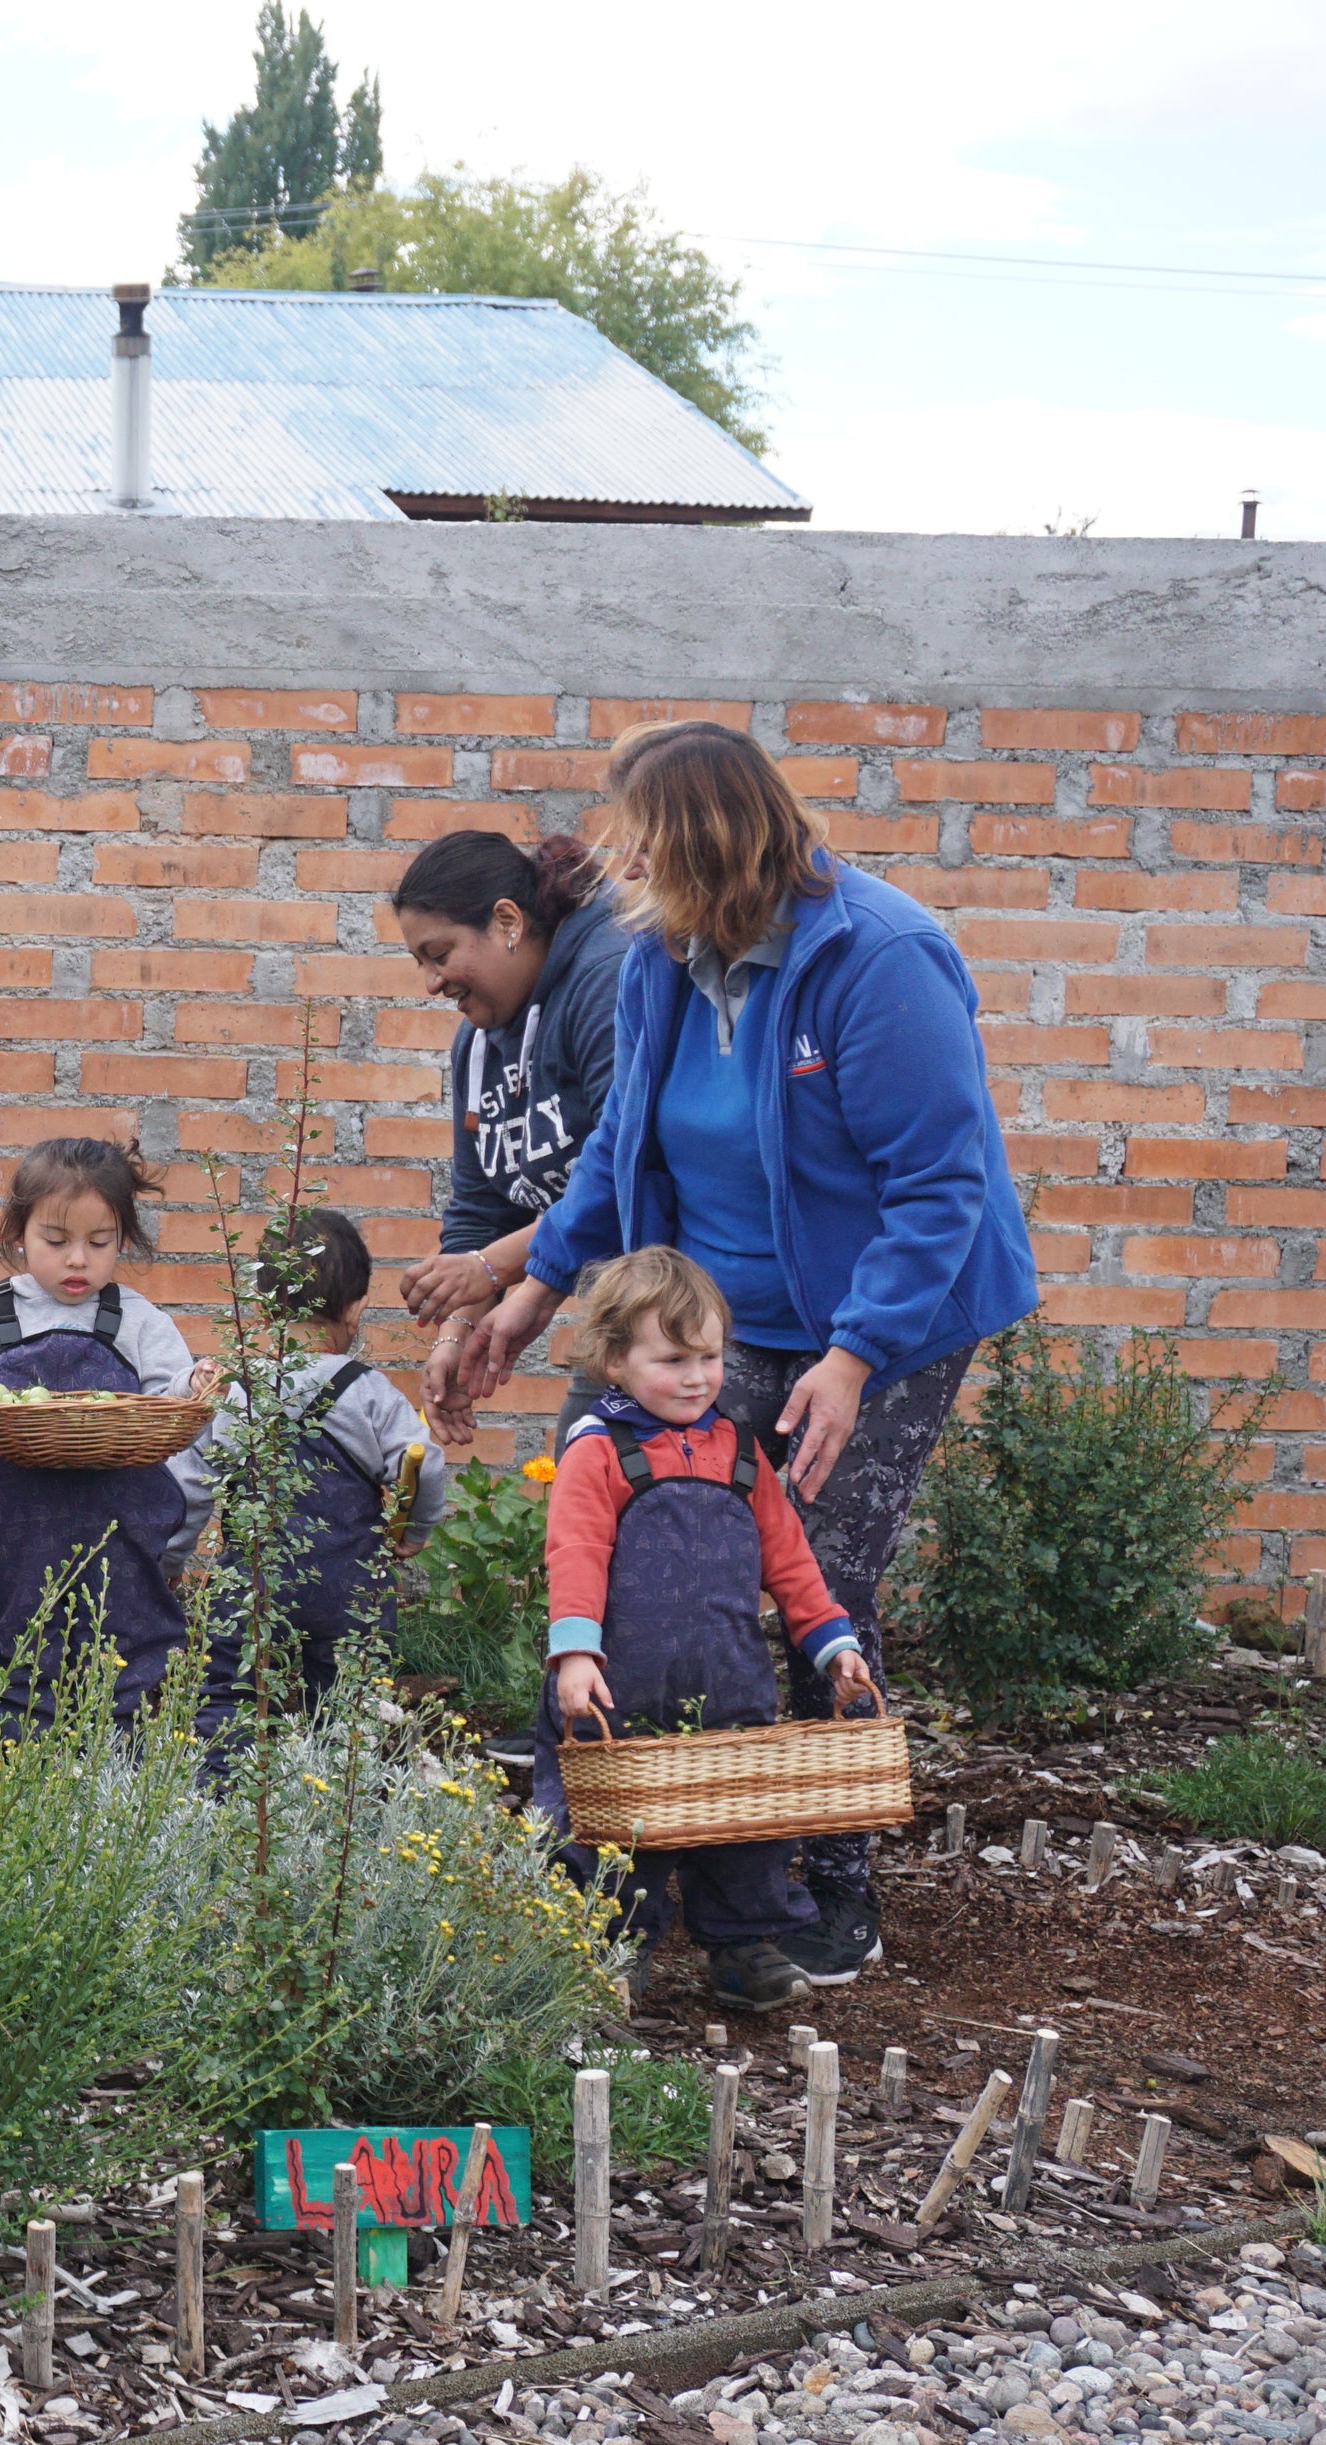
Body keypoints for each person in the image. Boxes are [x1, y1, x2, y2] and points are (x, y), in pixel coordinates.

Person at [456, 718, 1037, 1991]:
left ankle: (823, 1887)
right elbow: (620, 1153)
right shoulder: (670, 952)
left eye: (643, 848)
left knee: (813, 1577)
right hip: (715, 1312)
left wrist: (855, 1355)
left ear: (707, 845)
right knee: (605, 1533)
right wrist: (530, 1293)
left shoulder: (880, 960)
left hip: (881, 1315)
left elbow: (940, 1187)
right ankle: (616, 1851)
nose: (622, 874)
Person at [534, 1248, 880, 2014]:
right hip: (621, 1689)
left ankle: (744, 1949)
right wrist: (575, 1656)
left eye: (710, 1357)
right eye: (673, 1359)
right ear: (617, 1360)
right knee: (621, 1831)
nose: (696, 1377)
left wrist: (835, 1645)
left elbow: (790, 1561)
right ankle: (611, 1952)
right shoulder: (600, 1448)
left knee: (745, 1825)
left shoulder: (740, 1453)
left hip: (731, 1684)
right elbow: (577, 1554)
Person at [0, 1133, 199, 1733]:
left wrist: (196, 1384)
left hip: (119, 1536)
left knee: (123, 1662)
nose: (78, 1259)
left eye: (99, 1243)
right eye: (56, 1241)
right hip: (12, 1538)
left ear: (121, 1241)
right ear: (18, 1236)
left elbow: (174, 1410)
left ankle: (119, 1755)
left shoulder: (138, 1320)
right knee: (2, 1663)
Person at [168, 1209, 449, 1738]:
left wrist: (170, 1559)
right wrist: (415, 1529)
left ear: (261, 1307)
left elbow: (186, 1488)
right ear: (357, 1307)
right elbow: (423, 1461)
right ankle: (344, 1803)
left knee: (230, 1696)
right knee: (351, 1708)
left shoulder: (237, 1393)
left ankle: (213, 1795)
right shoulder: (368, 1392)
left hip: (251, 1583)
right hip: (349, 1588)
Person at [382, 829, 619, 1447]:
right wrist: (456, 1336)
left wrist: (492, 1269)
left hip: (691, 1311)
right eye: (420, 964)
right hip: (624, 1317)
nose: (431, 983)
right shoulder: (477, 1045)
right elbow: (479, 1208)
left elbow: (629, 1172)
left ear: (507, 922)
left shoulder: (605, 981)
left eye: (440, 953)